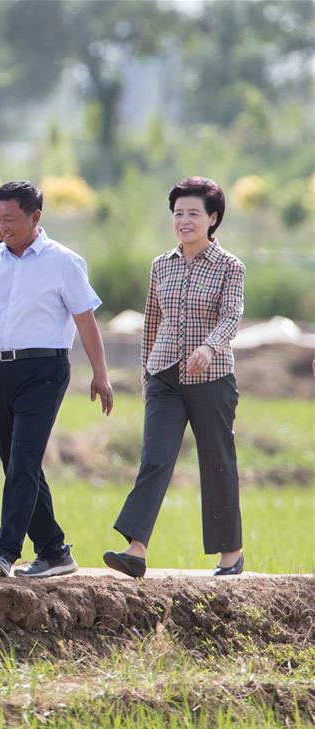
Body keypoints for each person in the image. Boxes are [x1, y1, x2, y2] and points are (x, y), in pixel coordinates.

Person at [0, 181, 113, 578]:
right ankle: (54, 550)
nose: (1, 227)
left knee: (23, 462)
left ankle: (4, 551)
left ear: (35, 217)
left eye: (10, 219)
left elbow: (86, 320)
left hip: (44, 371)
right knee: (19, 464)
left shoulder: (64, 262)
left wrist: (100, 373)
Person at [105, 177, 244, 578]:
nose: (184, 220)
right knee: (155, 458)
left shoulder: (230, 267)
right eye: (178, 213)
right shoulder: (161, 265)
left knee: (217, 462)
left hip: (212, 378)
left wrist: (209, 347)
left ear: (212, 218)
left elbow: (232, 315)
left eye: (193, 213)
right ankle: (136, 549)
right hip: (164, 376)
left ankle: (230, 554)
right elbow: (151, 323)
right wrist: (146, 375)